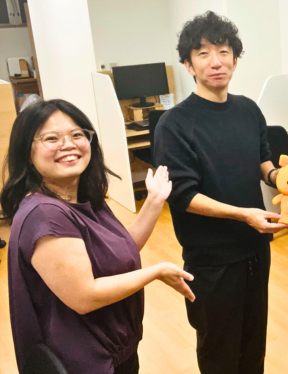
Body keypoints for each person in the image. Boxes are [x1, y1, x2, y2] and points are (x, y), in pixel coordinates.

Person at [1, 99, 195, 374]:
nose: (68, 144)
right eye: (52, 138)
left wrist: (154, 200)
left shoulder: (83, 197)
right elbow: (85, 296)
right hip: (86, 363)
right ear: (27, 150)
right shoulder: (45, 214)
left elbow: (119, 253)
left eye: (77, 134)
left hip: (116, 351)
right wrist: (156, 271)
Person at [153, 11, 288, 374]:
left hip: (256, 251)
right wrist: (243, 214)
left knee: (253, 347)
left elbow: (261, 160)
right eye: (203, 53)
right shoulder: (174, 124)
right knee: (219, 354)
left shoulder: (249, 110)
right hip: (212, 261)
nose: (216, 62)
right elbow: (183, 195)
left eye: (224, 51)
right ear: (188, 65)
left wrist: (281, 178)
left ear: (235, 59)